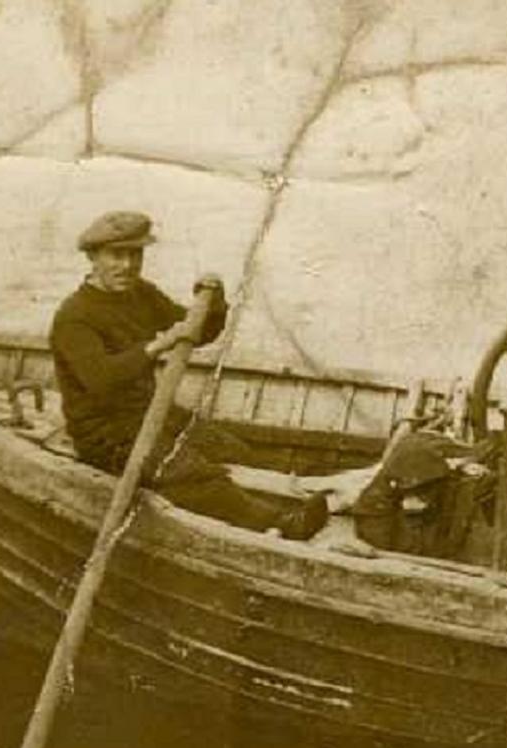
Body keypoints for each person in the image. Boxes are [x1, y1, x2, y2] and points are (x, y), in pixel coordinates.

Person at [50, 210, 328, 539]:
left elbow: (197, 331)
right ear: (93, 257)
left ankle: (315, 489)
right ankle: (283, 524)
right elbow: (101, 378)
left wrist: (215, 303)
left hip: (150, 414)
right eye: (116, 255)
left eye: (135, 254)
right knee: (187, 472)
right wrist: (156, 346)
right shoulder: (74, 316)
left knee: (228, 449)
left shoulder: (140, 294)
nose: (127, 265)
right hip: (104, 436)